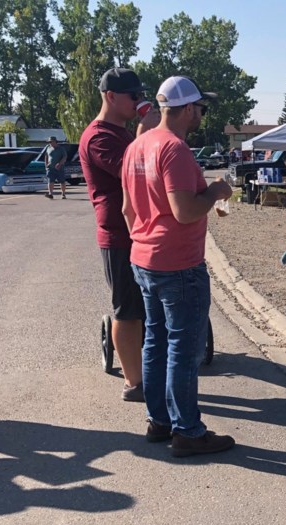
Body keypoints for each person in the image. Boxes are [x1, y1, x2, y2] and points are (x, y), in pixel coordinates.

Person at [121, 75, 235, 457]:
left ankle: (160, 421)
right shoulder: (175, 150)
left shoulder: (137, 146)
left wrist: (144, 239)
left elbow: (127, 209)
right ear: (187, 109)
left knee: (155, 340)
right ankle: (187, 430)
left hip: (145, 258)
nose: (202, 114)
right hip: (179, 263)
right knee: (183, 348)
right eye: (201, 108)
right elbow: (185, 211)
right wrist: (215, 191)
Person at [80, 67, 159, 403]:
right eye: (134, 96)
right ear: (111, 97)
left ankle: (147, 371)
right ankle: (134, 383)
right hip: (118, 235)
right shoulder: (99, 136)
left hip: (139, 232)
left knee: (144, 307)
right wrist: (145, 133)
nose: (139, 101)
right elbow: (132, 171)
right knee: (127, 309)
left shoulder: (123, 133)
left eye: (141, 95)